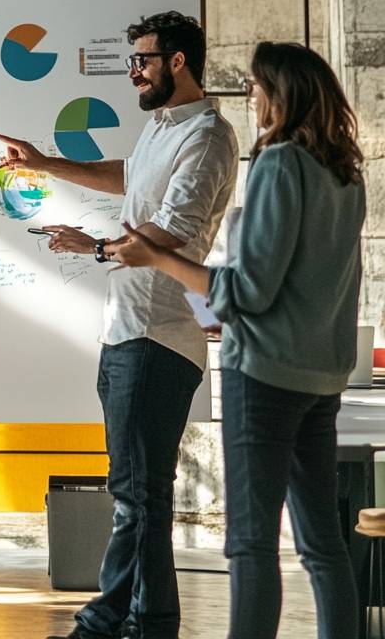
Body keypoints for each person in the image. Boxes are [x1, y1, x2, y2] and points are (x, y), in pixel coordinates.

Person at [0, 10, 238, 639]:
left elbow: (172, 229)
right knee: (139, 492)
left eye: (143, 61)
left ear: (178, 62)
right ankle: (152, 621)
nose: (134, 73)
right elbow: (128, 176)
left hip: (157, 334)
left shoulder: (206, 135)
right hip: (127, 331)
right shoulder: (163, 127)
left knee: (134, 494)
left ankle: (102, 622)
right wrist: (45, 163)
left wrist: (94, 249)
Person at [108, 41, 365, 639]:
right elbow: (310, 283)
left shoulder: (281, 164)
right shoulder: (345, 176)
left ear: (278, 94)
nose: (248, 97)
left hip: (267, 377)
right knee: (322, 541)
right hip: (320, 378)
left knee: (250, 543)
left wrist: (158, 257)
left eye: (254, 86)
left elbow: (248, 289)